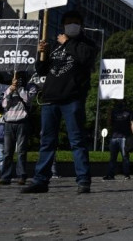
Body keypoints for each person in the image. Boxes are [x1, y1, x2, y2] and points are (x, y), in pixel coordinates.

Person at [22, 10, 98, 194]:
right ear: (63, 25)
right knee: (47, 141)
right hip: (50, 99)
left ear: (80, 25)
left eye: (75, 22)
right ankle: (41, 180)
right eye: (68, 22)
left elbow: (84, 60)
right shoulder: (56, 46)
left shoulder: (87, 44)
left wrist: (68, 42)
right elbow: (41, 71)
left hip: (72, 99)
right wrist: (42, 54)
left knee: (77, 141)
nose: (71, 25)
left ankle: (83, 180)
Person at [0, 73, 37, 186]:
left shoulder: (30, 86)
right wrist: (10, 90)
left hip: (22, 122)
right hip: (9, 122)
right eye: (16, 77)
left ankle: (21, 176)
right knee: (7, 152)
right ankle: (5, 177)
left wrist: (19, 88)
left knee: (21, 151)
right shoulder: (9, 88)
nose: (17, 79)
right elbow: (4, 105)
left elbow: (28, 99)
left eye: (19, 77)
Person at [103, 100, 133, 181]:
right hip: (115, 137)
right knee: (113, 157)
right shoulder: (114, 112)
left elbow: (132, 123)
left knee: (124, 157)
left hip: (124, 137)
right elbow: (109, 123)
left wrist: (132, 136)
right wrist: (108, 114)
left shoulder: (128, 112)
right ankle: (111, 174)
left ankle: (126, 175)